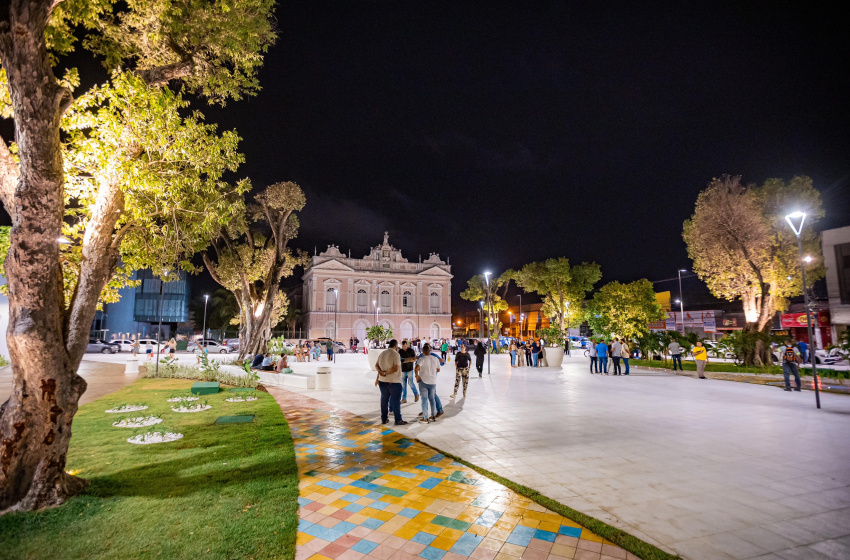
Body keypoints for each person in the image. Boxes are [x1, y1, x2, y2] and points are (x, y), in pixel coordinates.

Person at [376, 339, 407, 425]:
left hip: (382, 381)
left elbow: (376, 365)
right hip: (393, 382)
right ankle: (398, 420)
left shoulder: (382, 353)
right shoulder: (396, 354)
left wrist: (380, 372)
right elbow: (396, 368)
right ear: (396, 346)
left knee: (384, 400)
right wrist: (385, 373)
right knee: (395, 401)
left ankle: (384, 419)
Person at [415, 344, 441, 423]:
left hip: (423, 381)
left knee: (424, 399)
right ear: (429, 351)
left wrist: (417, 376)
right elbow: (438, 370)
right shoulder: (435, 359)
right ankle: (433, 416)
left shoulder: (421, 359)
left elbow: (416, 368)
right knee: (432, 399)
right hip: (433, 382)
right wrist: (432, 373)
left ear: (423, 352)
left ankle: (425, 418)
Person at [399, 340, 419, 404]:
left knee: (410, 383)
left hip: (410, 369)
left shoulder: (411, 350)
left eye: (404, 346)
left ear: (406, 345)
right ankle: (404, 398)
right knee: (403, 385)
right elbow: (400, 360)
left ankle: (416, 394)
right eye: (402, 346)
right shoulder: (400, 351)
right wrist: (409, 359)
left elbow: (414, 360)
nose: (404, 347)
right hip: (403, 370)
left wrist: (406, 360)